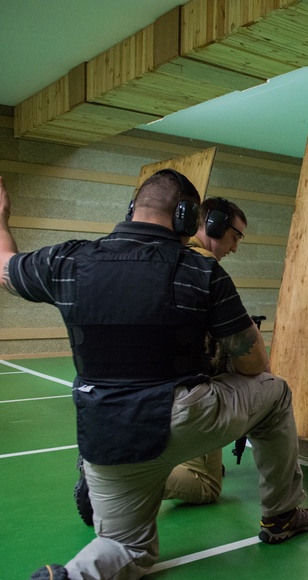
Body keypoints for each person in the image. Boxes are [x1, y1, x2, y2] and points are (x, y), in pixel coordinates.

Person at [0, 171, 308, 580]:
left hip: (104, 436)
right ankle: (284, 513)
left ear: (131, 206)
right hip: (180, 415)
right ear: (186, 216)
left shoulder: (70, 260)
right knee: (275, 392)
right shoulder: (199, 271)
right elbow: (253, 365)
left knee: (126, 546)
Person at [72, 196, 249, 523]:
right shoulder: (202, 268)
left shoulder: (162, 259)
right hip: (189, 392)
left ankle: (114, 468)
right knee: (206, 485)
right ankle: (114, 481)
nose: (235, 246)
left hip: (140, 393)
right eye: (235, 236)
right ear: (213, 225)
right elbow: (231, 347)